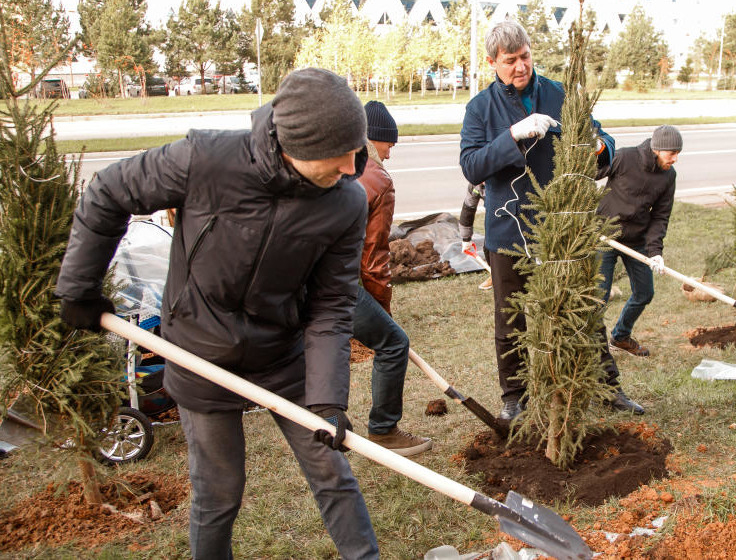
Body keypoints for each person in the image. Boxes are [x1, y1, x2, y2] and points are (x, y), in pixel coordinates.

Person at [56, 68, 380, 559]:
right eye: (339, 156)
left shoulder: (346, 202)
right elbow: (109, 191)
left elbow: (331, 307)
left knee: (332, 473)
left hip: (282, 355)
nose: (352, 168)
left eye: (356, 151)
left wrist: (327, 401)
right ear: (297, 145)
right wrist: (79, 288)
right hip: (199, 352)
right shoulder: (206, 160)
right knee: (219, 492)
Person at [459, 20, 643, 420]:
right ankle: (515, 397)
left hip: (562, 228)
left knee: (583, 308)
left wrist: (599, 147)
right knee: (511, 318)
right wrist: (512, 136)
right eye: (510, 60)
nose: (520, 66)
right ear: (492, 63)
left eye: (525, 56)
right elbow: (471, 165)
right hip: (509, 230)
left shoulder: (558, 94)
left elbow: (604, 140)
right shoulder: (480, 108)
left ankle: (607, 386)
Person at [356, 100, 433, 456]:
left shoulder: (334, 163)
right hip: (336, 283)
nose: (390, 153)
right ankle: (384, 431)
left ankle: (324, 422)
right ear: (374, 139)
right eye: (389, 143)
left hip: (301, 278)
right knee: (393, 343)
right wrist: (382, 312)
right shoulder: (378, 180)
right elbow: (374, 258)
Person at [596, 125, 681, 357]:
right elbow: (591, 173)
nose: (675, 158)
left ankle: (620, 336)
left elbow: (660, 216)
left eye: (678, 153)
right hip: (605, 236)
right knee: (599, 298)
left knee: (644, 293)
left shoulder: (668, 176)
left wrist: (655, 252)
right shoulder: (625, 157)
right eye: (672, 153)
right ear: (657, 149)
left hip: (636, 240)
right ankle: (594, 349)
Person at [458, 182, 492, 290]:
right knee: (488, 248)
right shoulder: (475, 185)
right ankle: (495, 275)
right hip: (493, 215)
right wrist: (466, 239)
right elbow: (468, 209)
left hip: (514, 213)